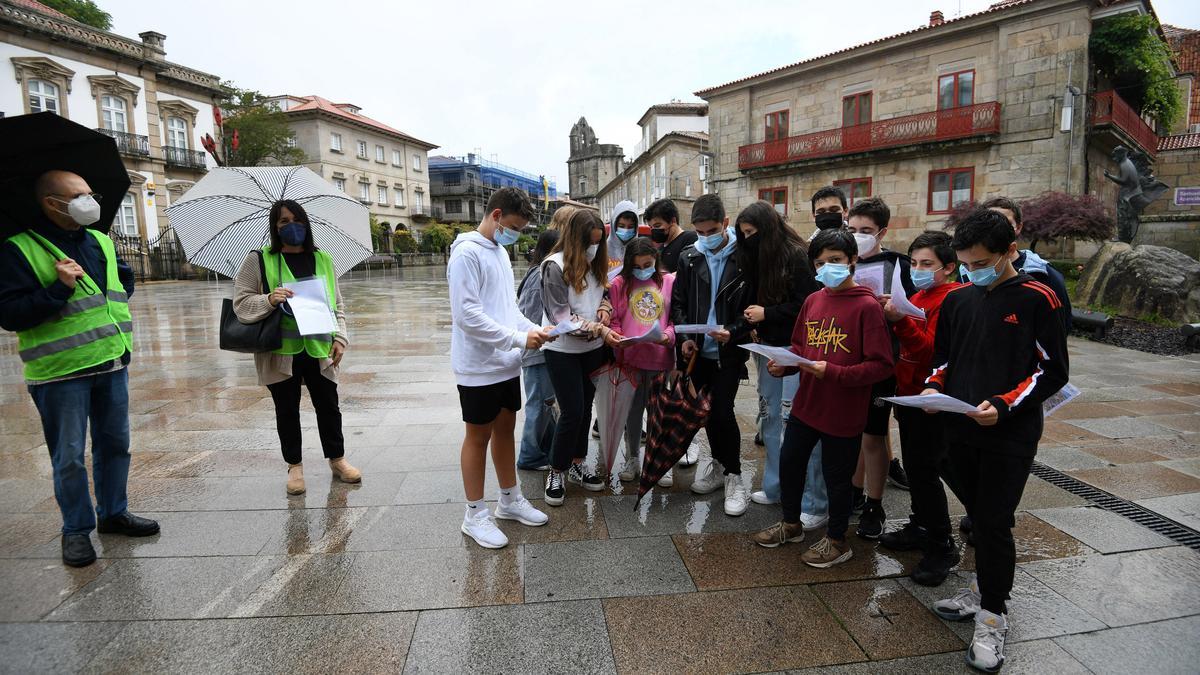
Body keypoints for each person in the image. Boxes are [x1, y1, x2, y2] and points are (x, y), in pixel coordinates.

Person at [923, 208, 1069, 672]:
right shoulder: (959, 300)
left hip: (1009, 431)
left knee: (992, 521)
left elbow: (1053, 371)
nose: (972, 270)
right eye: (965, 262)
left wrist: (1005, 403)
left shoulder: (1037, 297)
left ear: (1010, 251)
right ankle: (984, 588)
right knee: (979, 512)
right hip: (960, 425)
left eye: (981, 261)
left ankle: (993, 614)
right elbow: (944, 359)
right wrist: (933, 386)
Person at [0, 170, 157, 567]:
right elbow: (11, 314)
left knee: (115, 445)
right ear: (51, 203)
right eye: (78, 195)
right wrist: (58, 289)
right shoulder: (18, 249)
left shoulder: (101, 240)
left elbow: (122, 281)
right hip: (60, 371)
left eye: (91, 193)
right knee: (68, 455)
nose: (90, 201)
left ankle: (113, 513)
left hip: (111, 361)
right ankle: (75, 530)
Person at [752, 229, 893, 567]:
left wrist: (833, 372)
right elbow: (801, 346)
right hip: (807, 403)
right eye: (820, 262)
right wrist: (785, 366)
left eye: (835, 260)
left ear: (853, 261)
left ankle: (836, 539)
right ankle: (791, 523)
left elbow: (882, 365)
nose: (828, 267)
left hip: (844, 411)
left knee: (837, 477)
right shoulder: (814, 300)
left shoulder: (866, 306)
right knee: (791, 461)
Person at [447, 187, 552, 549]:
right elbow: (467, 316)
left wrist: (531, 330)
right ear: (495, 216)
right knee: (478, 436)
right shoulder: (466, 253)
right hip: (478, 365)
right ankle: (474, 514)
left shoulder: (499, 253)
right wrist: (519, 339)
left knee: (505, 429)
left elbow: (507, 308)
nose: (515, 234)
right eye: (512, 226)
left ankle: (509, 499)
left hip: (505, 362)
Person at [233, 200, 360, 496]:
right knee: (287, 410)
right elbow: (241, 303)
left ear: (306, 224)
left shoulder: (322, 259)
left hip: (319, 349)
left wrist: (340, 338)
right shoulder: (259, 259)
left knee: (329, 406)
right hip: (281, 351)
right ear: (275, 228)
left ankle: (338, 459)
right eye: (284, 221)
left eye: (297, 220)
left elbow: (337, 304)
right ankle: (295, 466)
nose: (292, 227)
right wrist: (269, 299)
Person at [878, 231, 964, 586]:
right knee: (917, 467)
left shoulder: (953, 299)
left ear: (949, 267)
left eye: (926, 264)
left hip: (932, 399)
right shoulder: (922, 294)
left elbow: (932, 352)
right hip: (910, 395)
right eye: (913, 263)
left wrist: (900, 321)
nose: (918, 269)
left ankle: (941, 543)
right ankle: (921, 524)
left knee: (927, 470)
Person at [734, 202, 826, 532]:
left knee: (797, 425)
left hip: (793, 349)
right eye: (743, 235)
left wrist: (767, 315)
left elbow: (806, 304)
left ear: (768, 229)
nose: (747, 239)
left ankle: (813, 501)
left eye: (752, 233)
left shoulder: (796, 256)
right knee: (770, 419)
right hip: (765, 347)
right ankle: (776, 487)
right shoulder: (757, 256)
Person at [671, 194, 754, 516]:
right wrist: (687, 337)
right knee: (704, 414)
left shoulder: (744, 257)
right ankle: (719, 467)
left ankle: (734, 476)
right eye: (700, 232)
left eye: (712, 230)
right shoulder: (690, 256)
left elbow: (751, 307)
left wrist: (733, 331)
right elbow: (679, 301)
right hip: (698, 351)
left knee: (722, 412)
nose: (706, 238)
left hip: (728, 351)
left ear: (726, 224)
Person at [844, 196, 913, 538]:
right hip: (846, 360)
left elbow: (915, 312)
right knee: (853, 431)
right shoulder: (841, 263)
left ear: (882, 232)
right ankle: (854, 491)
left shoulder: (898, 265)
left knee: (874, 434)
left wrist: (897, 312)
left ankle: (874, 502)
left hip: (882, 362)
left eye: (866, 230)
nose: (858, 235)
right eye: (852, 228)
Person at [541, 208, 610, 506]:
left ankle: (578, 464)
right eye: (589, 243)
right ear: (574, 240)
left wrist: (605, 309)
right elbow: (560, 316)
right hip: (562, 350)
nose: (593, 249)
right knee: (571, 410)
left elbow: (605, 293)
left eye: (598, 242)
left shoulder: (597, 264)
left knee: (585, 410)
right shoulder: (554, 266)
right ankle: (557, 470)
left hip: (592, 350)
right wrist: (594, 327)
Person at [603, 237, 676, 484]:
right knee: (632, 413)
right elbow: (614, 318)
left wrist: (669, 335)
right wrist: (618, 337)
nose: (644, 269)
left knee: (657, 412)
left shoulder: (668, 282)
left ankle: (656, 460)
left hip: (659, 358)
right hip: (630, 360)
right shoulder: (619, 284)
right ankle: (632, 458)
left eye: (649, 263)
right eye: (638, 265)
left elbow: (676, 317)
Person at [516, 226, 563, 471]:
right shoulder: (539, 276)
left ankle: (543, 450)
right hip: (537, 352)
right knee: (539, 405)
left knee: (546, 404)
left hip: (543, 350)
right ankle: (529, 456)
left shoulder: (542, 271)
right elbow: (531, 316)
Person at [645, 198, 698, 274]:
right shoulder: (660, 249)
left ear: (673, 221)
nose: (654, 230)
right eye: (651, 227)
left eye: (657, 225)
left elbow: (692, 271)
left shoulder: (690, 239)